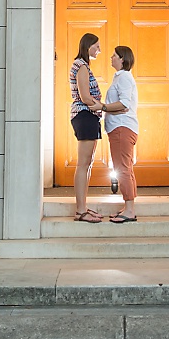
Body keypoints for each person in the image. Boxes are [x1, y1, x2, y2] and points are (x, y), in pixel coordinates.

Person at [69, 32, 105, 222]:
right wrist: (101, 106)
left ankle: (83, 207)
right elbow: (84, 97)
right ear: (88, 46)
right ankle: (80, 210)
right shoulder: (81, 66)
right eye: (96, 46)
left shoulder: (82, 66)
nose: (99, 50)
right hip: (84, 115)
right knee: (83, 164)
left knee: (87, 164)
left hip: (88, 116)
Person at [104, 45, 139, 223]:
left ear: (122, 59)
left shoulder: (124, 77)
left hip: (122, 128)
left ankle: (130, 210)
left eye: (114, 55)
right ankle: (128, 207)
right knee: (126, 167)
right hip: (120, 128)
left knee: (123, 168)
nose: (111, 57)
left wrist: (103, 107)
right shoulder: (120, 78)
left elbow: (124, 104)